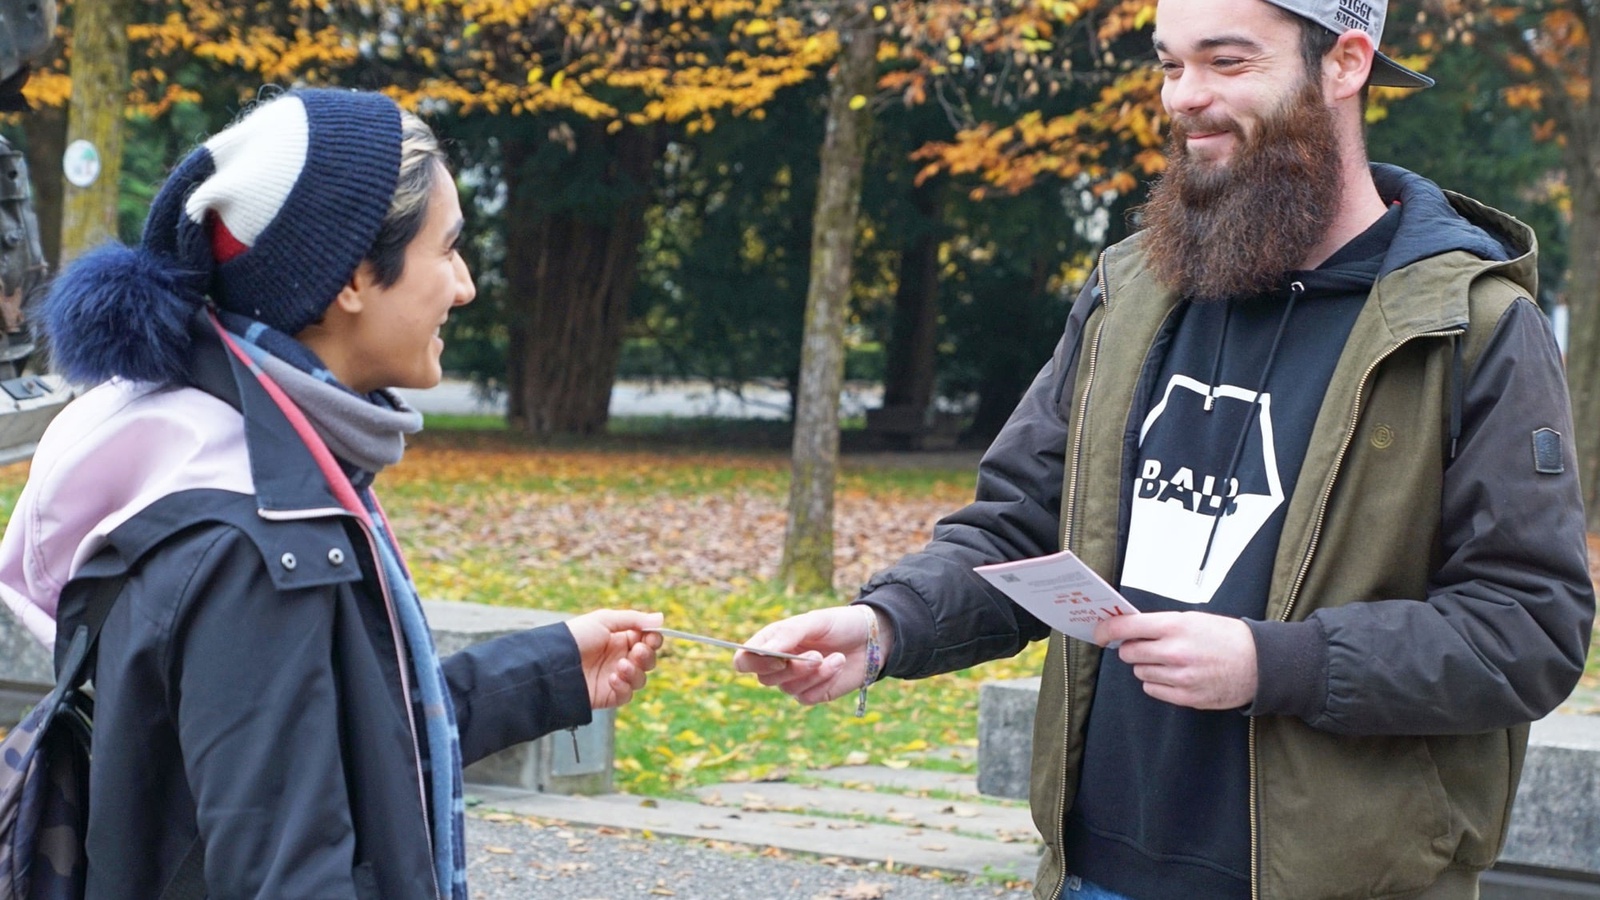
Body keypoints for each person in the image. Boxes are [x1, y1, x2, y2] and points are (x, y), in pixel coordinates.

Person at [735, 1, 1597, 898]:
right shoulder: (1133, 291)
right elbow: (1020, 527)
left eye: (1226, 63)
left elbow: (1526, 630)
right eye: (1169, 64)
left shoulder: (1474, 324)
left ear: (1345, 64)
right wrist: (883, 628)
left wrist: (1277, 663)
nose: (1183, 97)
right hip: (1093, 873)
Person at [0, 87, 664, 898]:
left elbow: (337, 753)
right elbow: (289, 869)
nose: (465, 286)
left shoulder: (241, 470)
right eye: (447, 250)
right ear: (351, 276)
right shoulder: (250, 540)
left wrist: (547, 671)